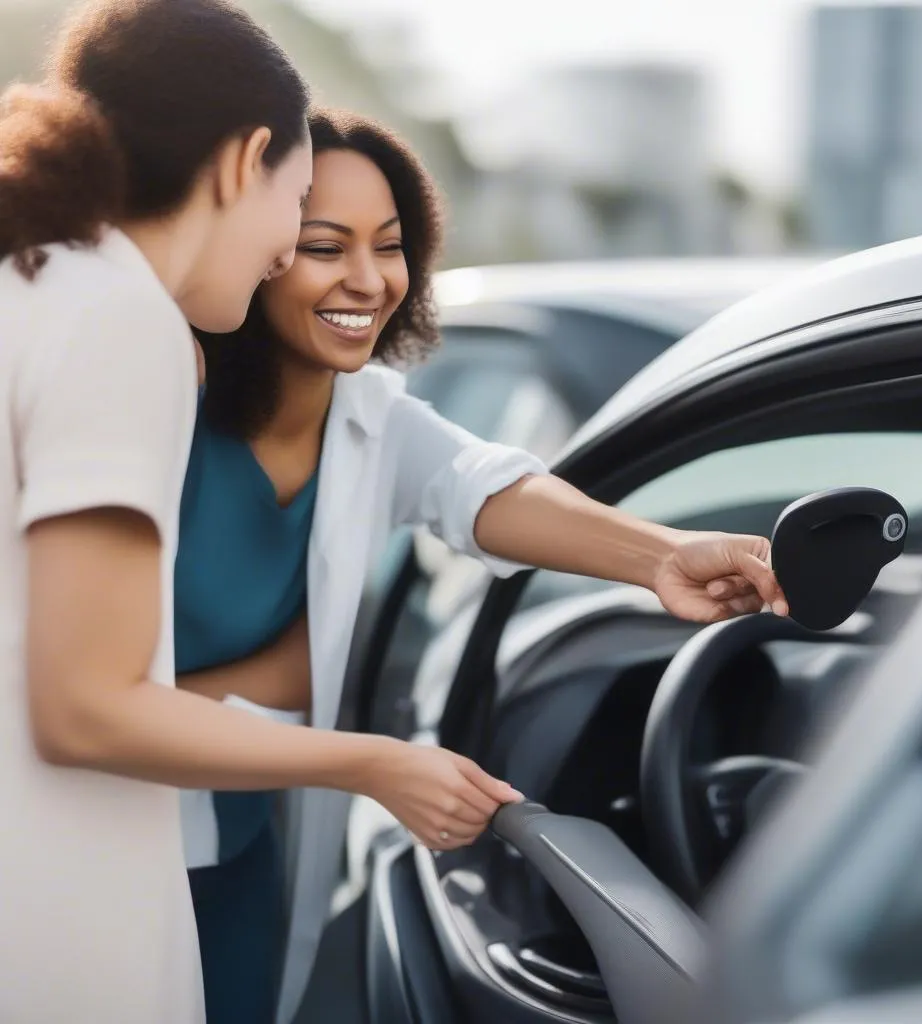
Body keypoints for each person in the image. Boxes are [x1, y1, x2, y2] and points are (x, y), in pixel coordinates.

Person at [184, 107, 791, 1024]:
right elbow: (96, 700)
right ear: (257, 248)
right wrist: (367, 758)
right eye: (324, 245)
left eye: (390, 246)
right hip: (94, 837)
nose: (367, 279)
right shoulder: (159, 416)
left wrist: (665, 554)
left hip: (241, 846)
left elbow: (484, 489)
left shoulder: (369, 415)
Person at [0, 2, 517, 1022]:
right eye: (300, 209)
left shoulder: (37, 282)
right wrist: (375, 763)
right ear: (247, 163)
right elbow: (85, 706)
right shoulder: (122, 320)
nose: (285, 252)